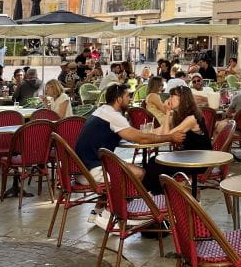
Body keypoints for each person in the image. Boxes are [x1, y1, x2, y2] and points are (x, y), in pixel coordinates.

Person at [74, 83, 186, 228]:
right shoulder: (113, 116)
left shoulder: (101, 111)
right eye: (127, 96)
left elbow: (133, 135)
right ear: (119, 99)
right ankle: (113, 213)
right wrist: (170, 138)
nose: (130, 99)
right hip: (91, 172)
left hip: (81, 169)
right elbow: (141, 139)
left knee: (127, 169)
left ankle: (97, 211)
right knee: (139, 173)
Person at [143, 85, 213, 193]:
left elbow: (166, 137)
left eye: (172, 96)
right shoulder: (178, 115)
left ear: (183, 98)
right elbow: (160, 131)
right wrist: (142, 134)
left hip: (199, 160)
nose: (168, 99)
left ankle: (154, 195)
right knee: (154, 161)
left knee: (156, 163)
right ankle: (152, 194)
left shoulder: (191, 118)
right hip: (186, 156)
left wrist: (166, 112)